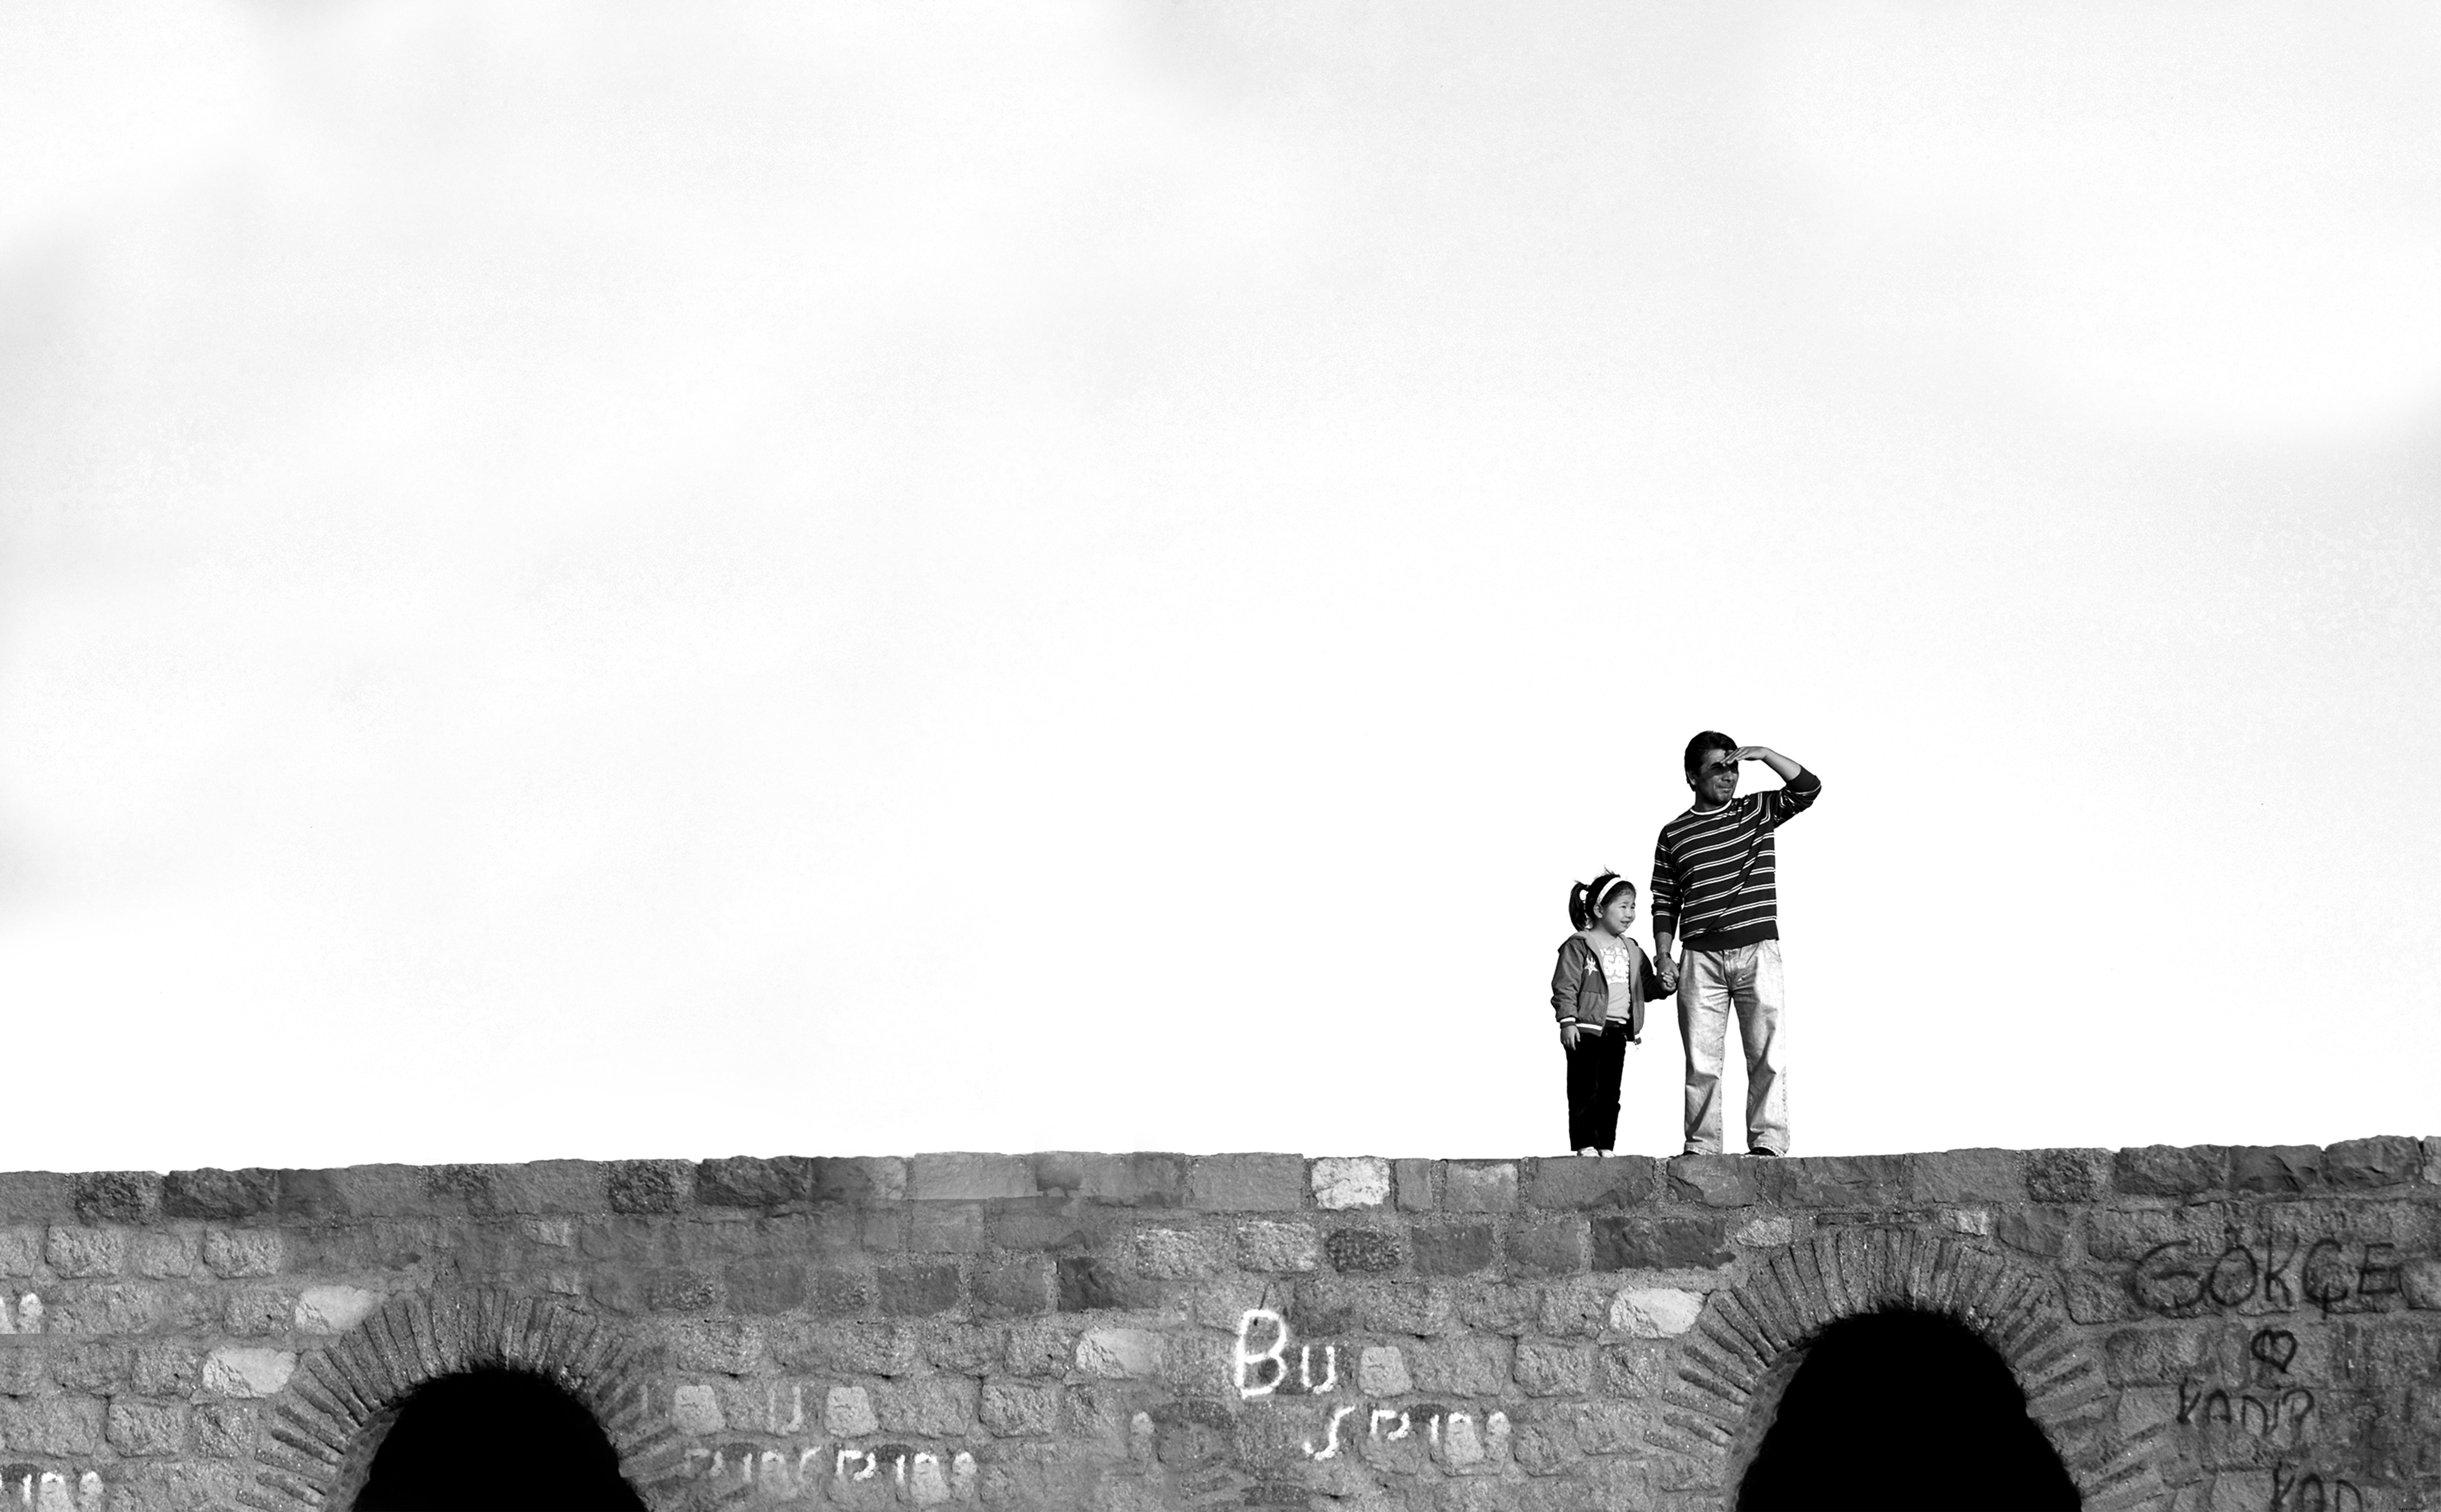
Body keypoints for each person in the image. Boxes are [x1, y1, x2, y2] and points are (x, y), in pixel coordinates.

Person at [1650, 734, 1821, 1157]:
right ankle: (1702, 1147)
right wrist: (1663, 954)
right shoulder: (1674, 834)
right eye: (1718, 769)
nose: (1729, 777)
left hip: (1757, 948)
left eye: (1734, 768)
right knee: (1701, 1062)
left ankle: (1768, 1142)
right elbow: (1664, 900)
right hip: (1700, 957)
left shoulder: (1756, 810)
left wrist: (1765, 754)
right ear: (1692, 777)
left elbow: (1809, 789)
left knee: (1767, 1054)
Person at [1549, 872, 1668, 1156]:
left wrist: (1664, 986)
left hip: (1617, 1032)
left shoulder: (1633, 949)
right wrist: (1567, 1022)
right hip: (1585, 1030)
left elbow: (1646, 988)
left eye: (1633, 907)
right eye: (1623, 906)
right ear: (1600, 910)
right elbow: (1565, 986)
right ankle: (1584, 1144)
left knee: (1610, 1094)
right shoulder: (1579, 945)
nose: (1630, 914)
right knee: (1584, 1090)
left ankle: (1606, 1145)